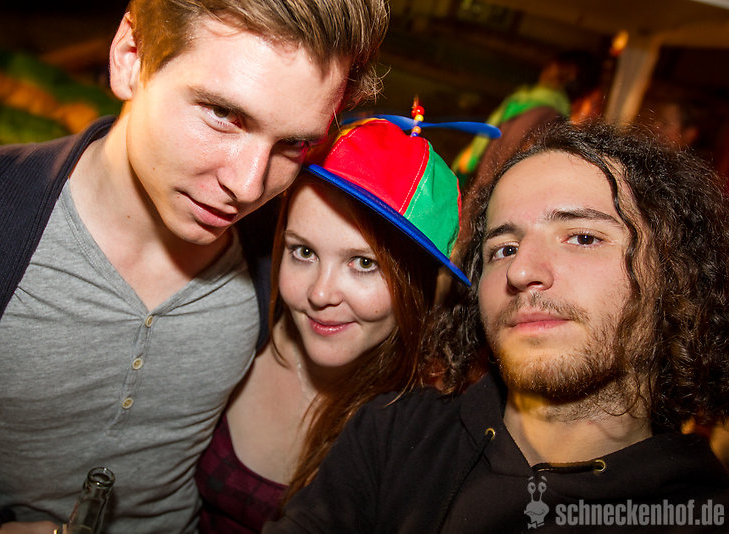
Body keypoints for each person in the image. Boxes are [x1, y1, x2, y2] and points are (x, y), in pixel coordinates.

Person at [0, 0, 388, 532]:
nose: (248, 185)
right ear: (130, 56)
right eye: (223, 114)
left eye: (294, 143)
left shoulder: (281, 251)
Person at [264, 120, 729, 533]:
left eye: (583, 237)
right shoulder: (394, 432)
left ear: (676, 271)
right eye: (503, 249)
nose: (521, 270)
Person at [195, 116, 474, 532]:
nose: (321, 294)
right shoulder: (235, 330)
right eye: (303, 252)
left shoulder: (421, 426)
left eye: (363, 263)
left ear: (416, 283)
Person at [450, 50, 601, 188]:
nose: (595, 112)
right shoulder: (549, 118)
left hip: (480, 192)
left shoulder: (523, 102)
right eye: (594, 102)